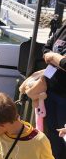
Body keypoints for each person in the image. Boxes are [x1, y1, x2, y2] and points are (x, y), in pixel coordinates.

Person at [42, 23, 66, 159]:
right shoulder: (64, 27)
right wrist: (49, 55)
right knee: (52, 132)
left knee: (64, 135)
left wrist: (53, 58)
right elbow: (47, 47)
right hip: (51, 91)